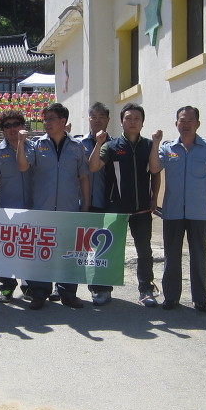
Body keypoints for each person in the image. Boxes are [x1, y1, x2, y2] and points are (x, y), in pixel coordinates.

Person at [148, 105, 206, 312]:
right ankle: (171, 297)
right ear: (176, 123)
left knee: (198, 255)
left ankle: (201, 299)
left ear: (198, 124)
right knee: (172, 255)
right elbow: (154, 168)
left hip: (199, 212)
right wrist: (155, 143)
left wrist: (199, 192)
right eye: (182, 120)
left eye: (190, 121)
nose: (186, 124)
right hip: (172, 211)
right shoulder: (168, 148)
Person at [16, 102, 90, 310]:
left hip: (69, 209)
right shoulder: (37, 145)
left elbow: (84, 177)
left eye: (51, 119)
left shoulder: (76, 147)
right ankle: (40, 293)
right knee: (42, 253)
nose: (46, 123)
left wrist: (85, 204)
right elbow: (23, 166)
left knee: (68, 253)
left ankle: (68, 293)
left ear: (63, 121)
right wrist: (21, 143)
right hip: (43, 210)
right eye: (45, 119)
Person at [89, 102, 161, 308]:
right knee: (108, 249)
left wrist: (154, 198)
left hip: (142, 209)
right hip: (116, 208)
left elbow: (155, 172)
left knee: (144, 251)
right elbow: (93, 166)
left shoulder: (149, 145)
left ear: (142, 122)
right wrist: (98, 143)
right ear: (121, 122)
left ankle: (146, 290)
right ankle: (103, 289)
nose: (132, 122)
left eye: (137, 118)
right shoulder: (111, 146)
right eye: (128, 118)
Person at [0, 108, 33, 303]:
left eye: (16, 124)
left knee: (28, 249)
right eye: (7, 126)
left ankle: (29, 287)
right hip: (7, 208)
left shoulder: (32, 147)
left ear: (22, 126)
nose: (12, 129)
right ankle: (7, 287)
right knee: (7, 250)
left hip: (32, 207)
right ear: (2, 129)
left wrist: (22, 144)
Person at [77, 102, 114, 306]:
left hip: (105, 203)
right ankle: (65, 286)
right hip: (82, 203)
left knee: (103, 249)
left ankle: (102, 288)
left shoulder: (115, 145)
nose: (97, 120)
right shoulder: (78, 143)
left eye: (102, 116)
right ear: (88, 119)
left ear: (108, 119)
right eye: (94, 116)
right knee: (79, 247)